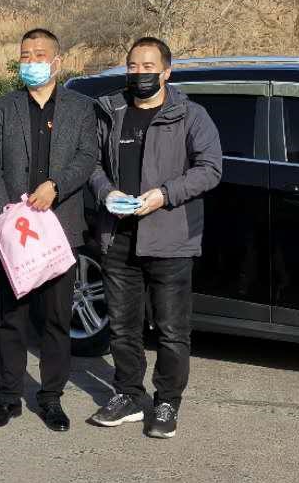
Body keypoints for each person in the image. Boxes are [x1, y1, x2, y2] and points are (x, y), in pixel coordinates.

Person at [87, 37, 222, 439]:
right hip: (118, 236)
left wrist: (165, 194)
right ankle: (128, 394)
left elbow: (210, 168)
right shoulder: (110, 111)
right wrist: (105, 192)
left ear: (166, 72)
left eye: (148, 67)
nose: (139, 73)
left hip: (170, 238)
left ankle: (167, 401)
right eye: (133, 66)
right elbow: (91, 164)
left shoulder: (191, 115)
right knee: (122, 327)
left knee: (171, 330)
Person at [0, 28, 99, 432]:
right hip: (15, 230)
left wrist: (56, 186)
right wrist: (6, 215)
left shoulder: (81, 108)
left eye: (40, 55)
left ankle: (51, 398)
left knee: (56, 319)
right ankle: (7, 398)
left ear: (57, 62)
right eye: (25, 56)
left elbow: (87, 157)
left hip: (60, 228)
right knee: (11, 318)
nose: (31, 62)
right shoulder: (3, 108)